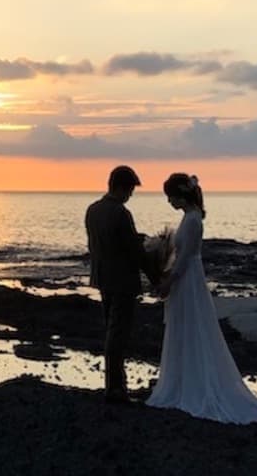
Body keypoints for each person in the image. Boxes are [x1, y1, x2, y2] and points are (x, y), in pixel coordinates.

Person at [146, 173, 257, 424]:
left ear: (180, 194)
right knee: (184, 327)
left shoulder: (193, 220)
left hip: (189, 280)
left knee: (193, 327)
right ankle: (183, 378)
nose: (169, 202)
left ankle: (194, 384)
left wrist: (169, 280)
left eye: (170, 196)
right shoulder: (188, 218)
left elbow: (185, 257)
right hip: (186, 278)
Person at [84, 165, 160, 404]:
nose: (130, 196)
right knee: (118, 334)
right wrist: (157, 278)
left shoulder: (92, 210)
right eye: (130, 191)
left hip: (102, 277)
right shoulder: (120, 213)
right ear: (121, 188)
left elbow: (101, 244)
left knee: (111, 329)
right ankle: (116, 389)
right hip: (122, 281)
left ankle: (114, 385)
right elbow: (134, 251)